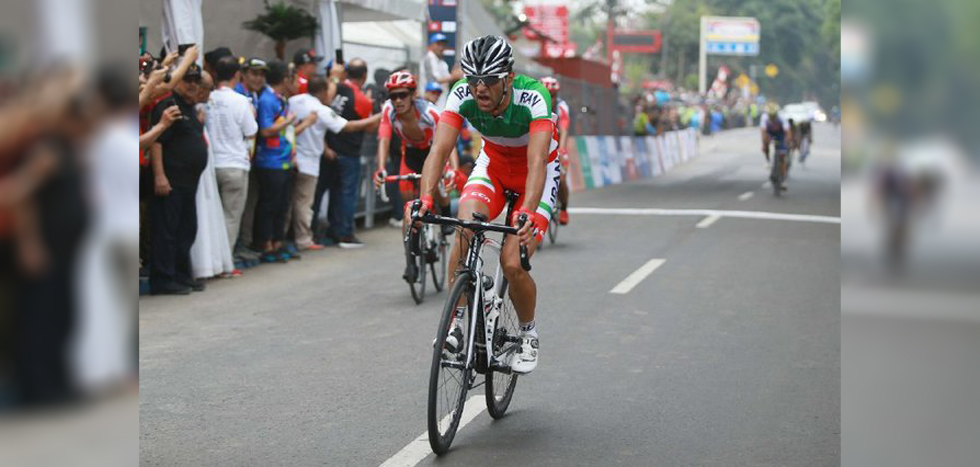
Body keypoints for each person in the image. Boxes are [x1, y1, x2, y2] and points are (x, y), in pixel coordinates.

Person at [412, 36, 560, 374]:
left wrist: (527, 212)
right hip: (492, 167)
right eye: (472, 78)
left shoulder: (533, 95)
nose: (479, 88)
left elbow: (537, 162)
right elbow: (438, 150)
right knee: (464, 230)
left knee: (512, 262)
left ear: (508, 77)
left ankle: (527, 333)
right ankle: (457, 323)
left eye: (489, 80)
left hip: (534, 175)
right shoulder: (461, 93)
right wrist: (425, 198)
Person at [371, 71, 459, 282]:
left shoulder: (430, 112)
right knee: (409, 205)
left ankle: (445, 211)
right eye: (393, 96)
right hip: (410, 154)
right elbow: (383, 139)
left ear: (413, 94)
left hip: (433, 152)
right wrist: (381, 168)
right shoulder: (389, 111)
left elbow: (448, 143)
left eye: (402, 95)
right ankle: (411, 262)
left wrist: (452, 169)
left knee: (437, 187)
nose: (398, 100)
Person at [289, 76, 381, 251]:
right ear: (323, 91)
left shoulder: (293, 100)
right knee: (305, 203)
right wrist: (379, 116)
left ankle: (297, 238)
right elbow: (349, 126)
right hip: (309, 161)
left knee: (295, 202)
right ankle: (305, 239)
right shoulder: (320, 109)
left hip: (290, 158)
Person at [148, 64, 209, 294]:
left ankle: (182, 275)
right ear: (176, 81)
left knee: (186, 229)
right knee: (167, 232)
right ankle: (163, 279)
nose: (193, 85)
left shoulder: (190, 107)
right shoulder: (168, 105)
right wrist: (159, 176)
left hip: (188, 182)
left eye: (196, 80)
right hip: (170, 181)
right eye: (187, 80)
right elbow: (157, 142)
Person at [253, 60, 317, 263]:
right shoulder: (267, 100)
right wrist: (290, 122)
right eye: (292, 78)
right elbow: (265, 130)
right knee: (269, 205)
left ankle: (278, 243)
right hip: (270, 161)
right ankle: (266, 244)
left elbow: (287, 133)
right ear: (284, 79)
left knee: (282, 205)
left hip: (285, 159)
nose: (295, 82)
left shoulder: (282, 100)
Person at [207, 56, 258, 256]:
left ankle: (210, 259)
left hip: (212, 164)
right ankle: (224, 260)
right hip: (235, 164)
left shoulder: (208, 97)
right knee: (231, 216)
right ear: (238, 75)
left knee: (212, 215)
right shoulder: (240, 101)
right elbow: (251, 131)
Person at [321, 58, 375, 248]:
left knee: (335, 192)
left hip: (329, 149)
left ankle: (334, 230)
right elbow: (369, 129)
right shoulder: (361, 99)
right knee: (347, 194)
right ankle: (345, 233)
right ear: (364, 75)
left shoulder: (334, 88)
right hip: (349, 152)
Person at [540, 76, 571, 225]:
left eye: (553, 95)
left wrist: (562, 149)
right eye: (547, 94)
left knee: (562, 178)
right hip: (540, 144)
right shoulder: (536, 103)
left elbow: (564, 129)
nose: (550, 98)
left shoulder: (561, 106)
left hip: (557, 144)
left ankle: (564, 208)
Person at [419, 33, 463, 109]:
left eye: (443, 45)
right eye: (438, 44)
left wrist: (454, 76)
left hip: (441, 100)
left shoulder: (442, 62)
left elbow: (446, 82)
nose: (441, 47)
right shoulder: (429, 58)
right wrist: (452, 76)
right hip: (429, 101)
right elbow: (431, 80)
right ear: (432, 45)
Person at [760, 104, 792, 190]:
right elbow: (763, 131)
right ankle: (768, 160)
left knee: (782, 156)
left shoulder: (782, 117)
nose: (772, 118)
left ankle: (783, 179)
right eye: (771, 116)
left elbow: (787, 132)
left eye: (773, 116)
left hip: (780, 134)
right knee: (765, 143)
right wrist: (764, 144)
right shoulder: (764, 117)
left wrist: (787, 142)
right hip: (770, 133)